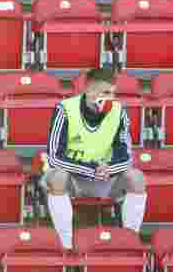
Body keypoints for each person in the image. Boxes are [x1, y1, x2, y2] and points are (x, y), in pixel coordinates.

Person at [42, 67, 147, 249]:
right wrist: (90, 170)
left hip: (105, 178)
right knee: (57, 176)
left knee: (136, 177)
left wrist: (108, 169)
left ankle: (131, 243)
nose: (111, 98)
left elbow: (126, 155)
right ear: (90, 91)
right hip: (72, 177)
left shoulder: (118, 111)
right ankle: (65, 247)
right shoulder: (65, 108)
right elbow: (54, 158)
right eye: (106, 92)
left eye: (113, 93)